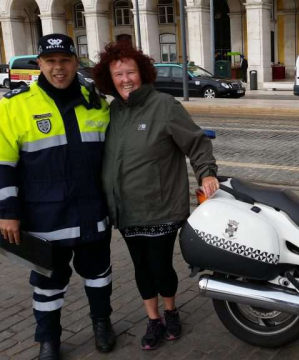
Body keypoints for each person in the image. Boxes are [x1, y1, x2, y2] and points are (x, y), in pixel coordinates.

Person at [0, 34, 116, 360]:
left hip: (91, 211)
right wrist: (8, 211)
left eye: (65, 61)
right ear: (40, 64)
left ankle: (102, 324)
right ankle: (48, 339)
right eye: (51, 62)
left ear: (75, 63)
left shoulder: (95, 102)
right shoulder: (13, 106)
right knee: (47, 282)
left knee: (99, 275)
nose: (59, 68)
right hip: (44, 219)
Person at [92, 41, 219, 351]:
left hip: (160, 206)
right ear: (110, 78)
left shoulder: (164, 105)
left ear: (143, 73)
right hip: (124, 209)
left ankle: (171, 311)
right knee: (140, 268)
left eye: (130, 72)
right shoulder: (112, 111)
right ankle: (153, 319)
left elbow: (196, 143)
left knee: (160, 266)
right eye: (118, 73)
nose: (125, 79)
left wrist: (207, 172)